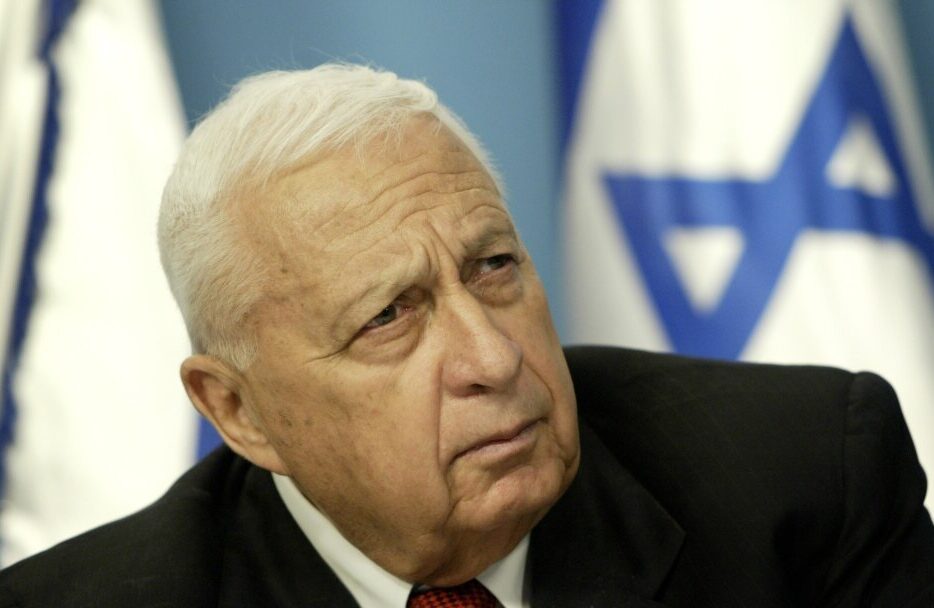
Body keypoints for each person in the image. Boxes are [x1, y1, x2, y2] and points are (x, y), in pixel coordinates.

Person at [1, 63, 933, 607]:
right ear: (239, 410)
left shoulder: (806, 483)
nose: (496, 358)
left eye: (492, 267)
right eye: (388, 317)